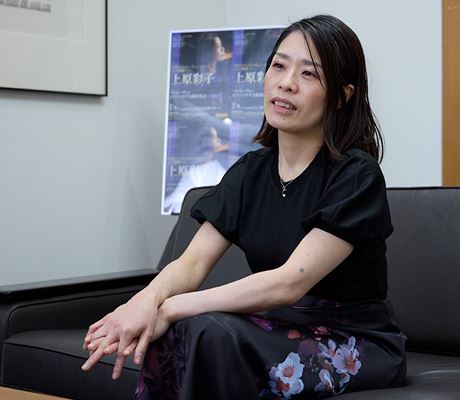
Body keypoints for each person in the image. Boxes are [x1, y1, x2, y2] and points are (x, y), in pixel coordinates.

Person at [81, 15, 406, 399]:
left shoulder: (356, 175)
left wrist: (170, 308)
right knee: (188, 330)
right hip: (278, 328)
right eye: (279, 66)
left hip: (352, 341)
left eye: (308, 74)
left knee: (204, 331)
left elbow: (288, 283)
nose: (286, 83)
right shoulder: (250, 171)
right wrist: (145, 301)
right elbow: (192, 264)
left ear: (341, 95)